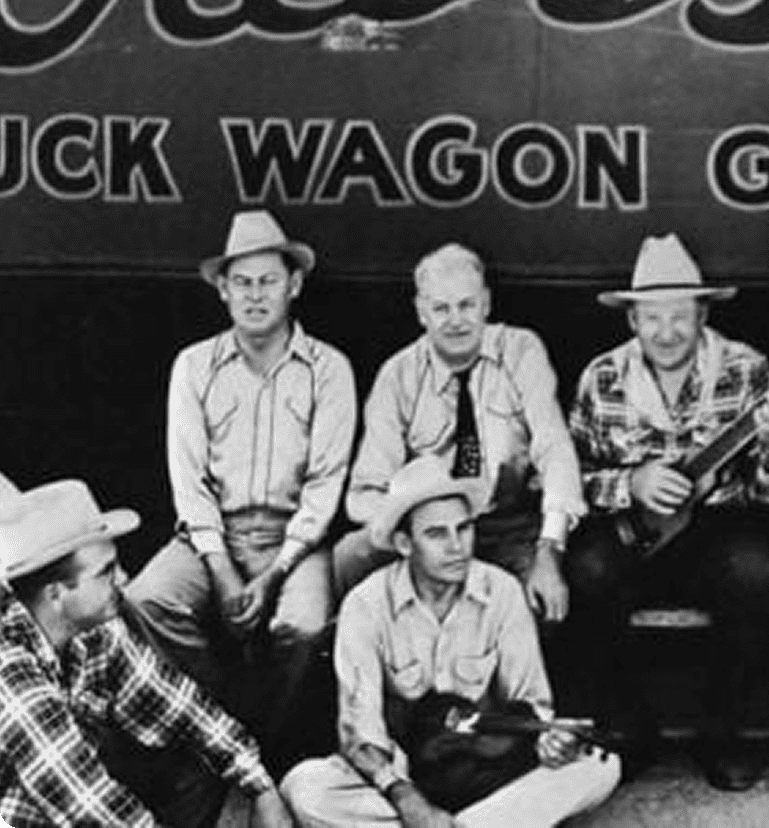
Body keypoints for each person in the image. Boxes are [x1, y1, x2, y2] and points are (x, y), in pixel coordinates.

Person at [564, 233, 769, 791]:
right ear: (632, 321)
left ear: (703, 314)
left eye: (679, 316)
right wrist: (631, 483)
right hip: (630, 530)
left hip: (715, 528)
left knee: (755, 572)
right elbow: (567, 479)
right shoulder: (601, 378)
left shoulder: (746, 369)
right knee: (587, 571)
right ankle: (629, 723)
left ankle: (720, 730)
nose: (666, 331)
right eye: (652, 317)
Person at [281, 455, 620, 828]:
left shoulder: (503, 591)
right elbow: (359, 732)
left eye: (464, 528)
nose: (457, 546)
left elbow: (531, 705)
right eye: (436, 534)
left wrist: (547, 742)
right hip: (402, 779)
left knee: (599, 768)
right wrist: (405, 797)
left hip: (486, 772)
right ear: (404, 543)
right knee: (306, 787)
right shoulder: (365, 604)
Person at [127, 210, 357, 758]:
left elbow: (326, 484)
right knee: (145, 599)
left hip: (295, 539)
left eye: (269, 281)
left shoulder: (329, 368)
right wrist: (222, 568)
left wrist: (277, 572)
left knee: (304, 628)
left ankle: (263, 743)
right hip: (211, 535)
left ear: (294, 285)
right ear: (223, 290)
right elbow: (188, 480)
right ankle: (221, 722)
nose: (256, 295)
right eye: (243, 282)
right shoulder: (194, 366)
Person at [0, 477, 294, 828]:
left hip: (69, 792)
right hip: (36, 808)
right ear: (56, 595)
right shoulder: (10, 674)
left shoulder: (98, 631)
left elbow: (180, 705)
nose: (124, 579)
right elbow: (88, 805)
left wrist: (261, 787)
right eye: (107, 572)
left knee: (191, 764)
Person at [333, 243, 585, 625]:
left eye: (466, 305)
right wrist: (414, 531)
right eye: (441, 308)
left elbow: (555, 451)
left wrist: (550, 550)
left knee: (539, 603)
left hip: (509, 526)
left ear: (486, 304)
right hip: (428, 527)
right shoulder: (398, 375)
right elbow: (364, 492)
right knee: (351, 556)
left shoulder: (522, 351)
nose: (456, 321)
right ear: (421, 312)